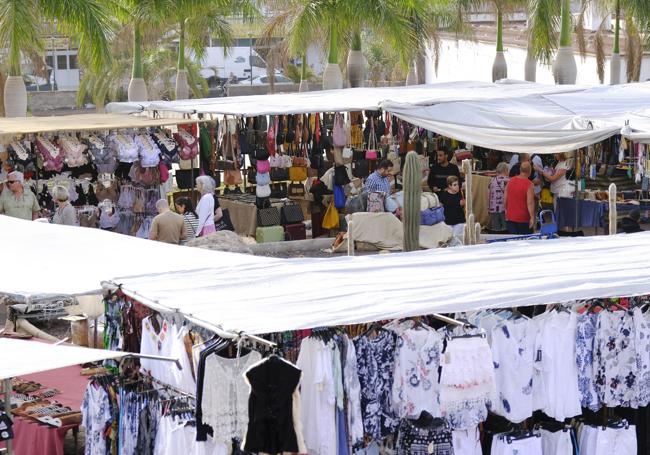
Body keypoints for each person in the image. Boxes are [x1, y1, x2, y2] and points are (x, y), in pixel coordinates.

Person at [504, 161, 535, 234]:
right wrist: (532, 217)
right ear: (530, 171)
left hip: (511, 217)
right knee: (525, 241)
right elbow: (530, 202)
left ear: (520, 170)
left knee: (513, 241)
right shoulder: (529, 184)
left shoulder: (510, 181)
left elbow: (505, 198)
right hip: (524, 218)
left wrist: (506, 210)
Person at [487, 162, 509, 233]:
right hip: (504, 208)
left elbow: (488, 195)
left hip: (493, 208)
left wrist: (488, 207)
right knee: (505, 229)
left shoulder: (492, 180)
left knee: (496, 230)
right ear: (506, 170)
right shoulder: (508, 181)